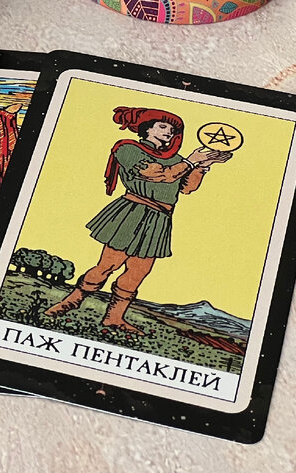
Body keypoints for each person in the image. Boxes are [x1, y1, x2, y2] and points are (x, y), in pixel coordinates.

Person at [44, 106, 230, 334]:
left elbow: (187, 188)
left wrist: (203, 165)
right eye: (163, 126)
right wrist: (191, 161)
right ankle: (71, 301)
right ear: (147, 128)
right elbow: (156, 174)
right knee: (107, 266)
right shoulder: (128, 148)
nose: (169, 132)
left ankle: (114, 318)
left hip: (159, 219)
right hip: (133, 213)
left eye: (172, 130)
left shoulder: (177, 160)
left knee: (137, 273)